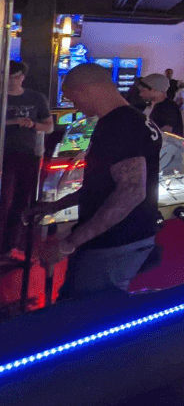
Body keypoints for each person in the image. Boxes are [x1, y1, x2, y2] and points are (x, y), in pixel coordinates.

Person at [24, 64, 160, 298]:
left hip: (115, 242)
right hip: (130, 235)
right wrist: (57, 205)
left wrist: (69, 243)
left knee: (85, 313)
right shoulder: (135, 119)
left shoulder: (119, 124)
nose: (75, 106)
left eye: (73, 98)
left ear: (86, 90)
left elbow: (130, 192)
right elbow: (104, 184)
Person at [1, 61, 53, 256]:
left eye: (18, 76)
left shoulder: (36, 98)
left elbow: (48, 126)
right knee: (4, 199)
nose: (14, 80)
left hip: (26, 153)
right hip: (4, 153)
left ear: (23, 77)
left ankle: (11, 243)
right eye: (11, 76)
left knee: (22, 200)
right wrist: (14, 121)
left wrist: (32, 125)